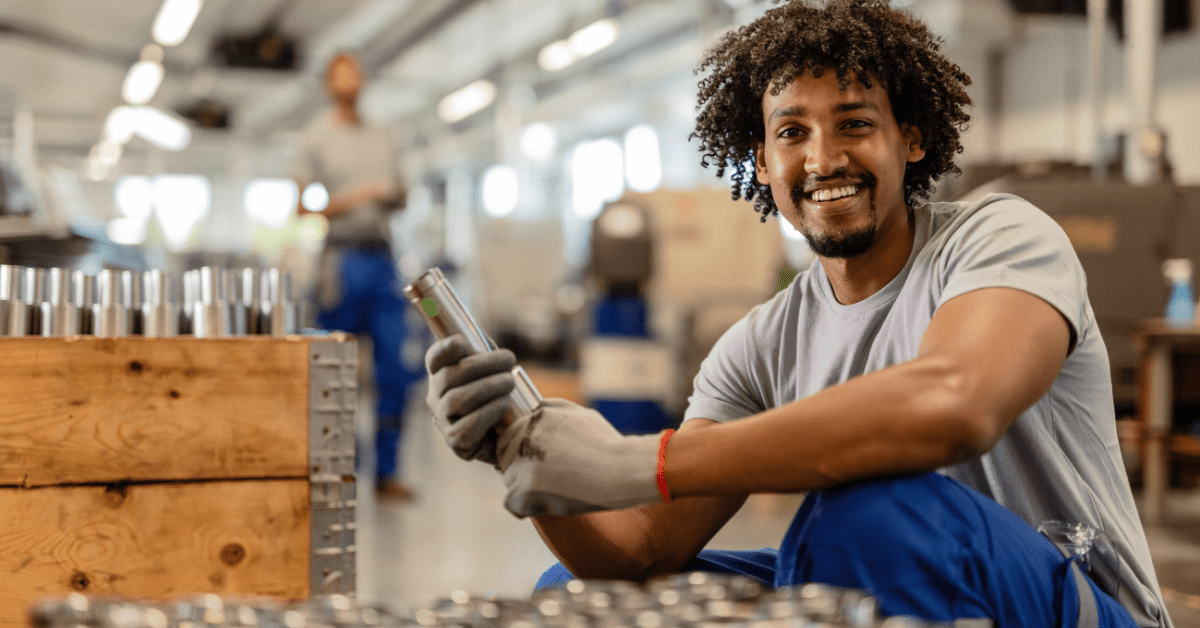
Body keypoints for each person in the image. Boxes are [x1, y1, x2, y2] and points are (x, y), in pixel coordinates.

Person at [423, 0, 1172, 625]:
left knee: (865, 517)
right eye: (792, 132)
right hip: (926, 592)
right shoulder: (761, 342)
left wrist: (634, 460)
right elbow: (641, 549)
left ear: (910, 139)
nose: (823, 158)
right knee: (583, 598)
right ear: (761, 162)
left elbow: (953, 404)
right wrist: (527, 455)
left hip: (1083, 605)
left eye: (854, 123)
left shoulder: (1000, 236)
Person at [294, 52, 420, 500]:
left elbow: (401, 194)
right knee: (335, 371)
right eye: (340, 72)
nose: (350, 80)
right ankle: (341, 469)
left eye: (356, 71)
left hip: (384, 260)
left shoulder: (384, 136)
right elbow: (302, 207)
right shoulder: (316, 136)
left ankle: (387, 473)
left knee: (395, 370)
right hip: (341, 263)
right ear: (329, 83)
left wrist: (391, 195)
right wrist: (357, 197)